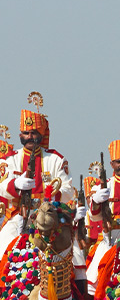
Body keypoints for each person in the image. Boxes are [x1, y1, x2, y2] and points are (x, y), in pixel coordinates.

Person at [0, 92, 74, 256]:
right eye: (26, 133)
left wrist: (51, 197)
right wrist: (15, 185)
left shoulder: (55, 159)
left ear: (41, 135)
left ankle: (82, 281)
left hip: (50, 218)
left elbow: (69, 191)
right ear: (20, 135)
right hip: (18, 216)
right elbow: (1, 186)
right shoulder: (9, 160)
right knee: (2, 248)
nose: (30, 137)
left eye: (34, 133)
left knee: (74, 256)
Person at [85, 130, 120, 297]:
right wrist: (96, 201)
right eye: (118, 162)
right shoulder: (103, 186)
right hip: (110, 237)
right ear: (111, 164)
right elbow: (94, 216)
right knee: (94, 276)